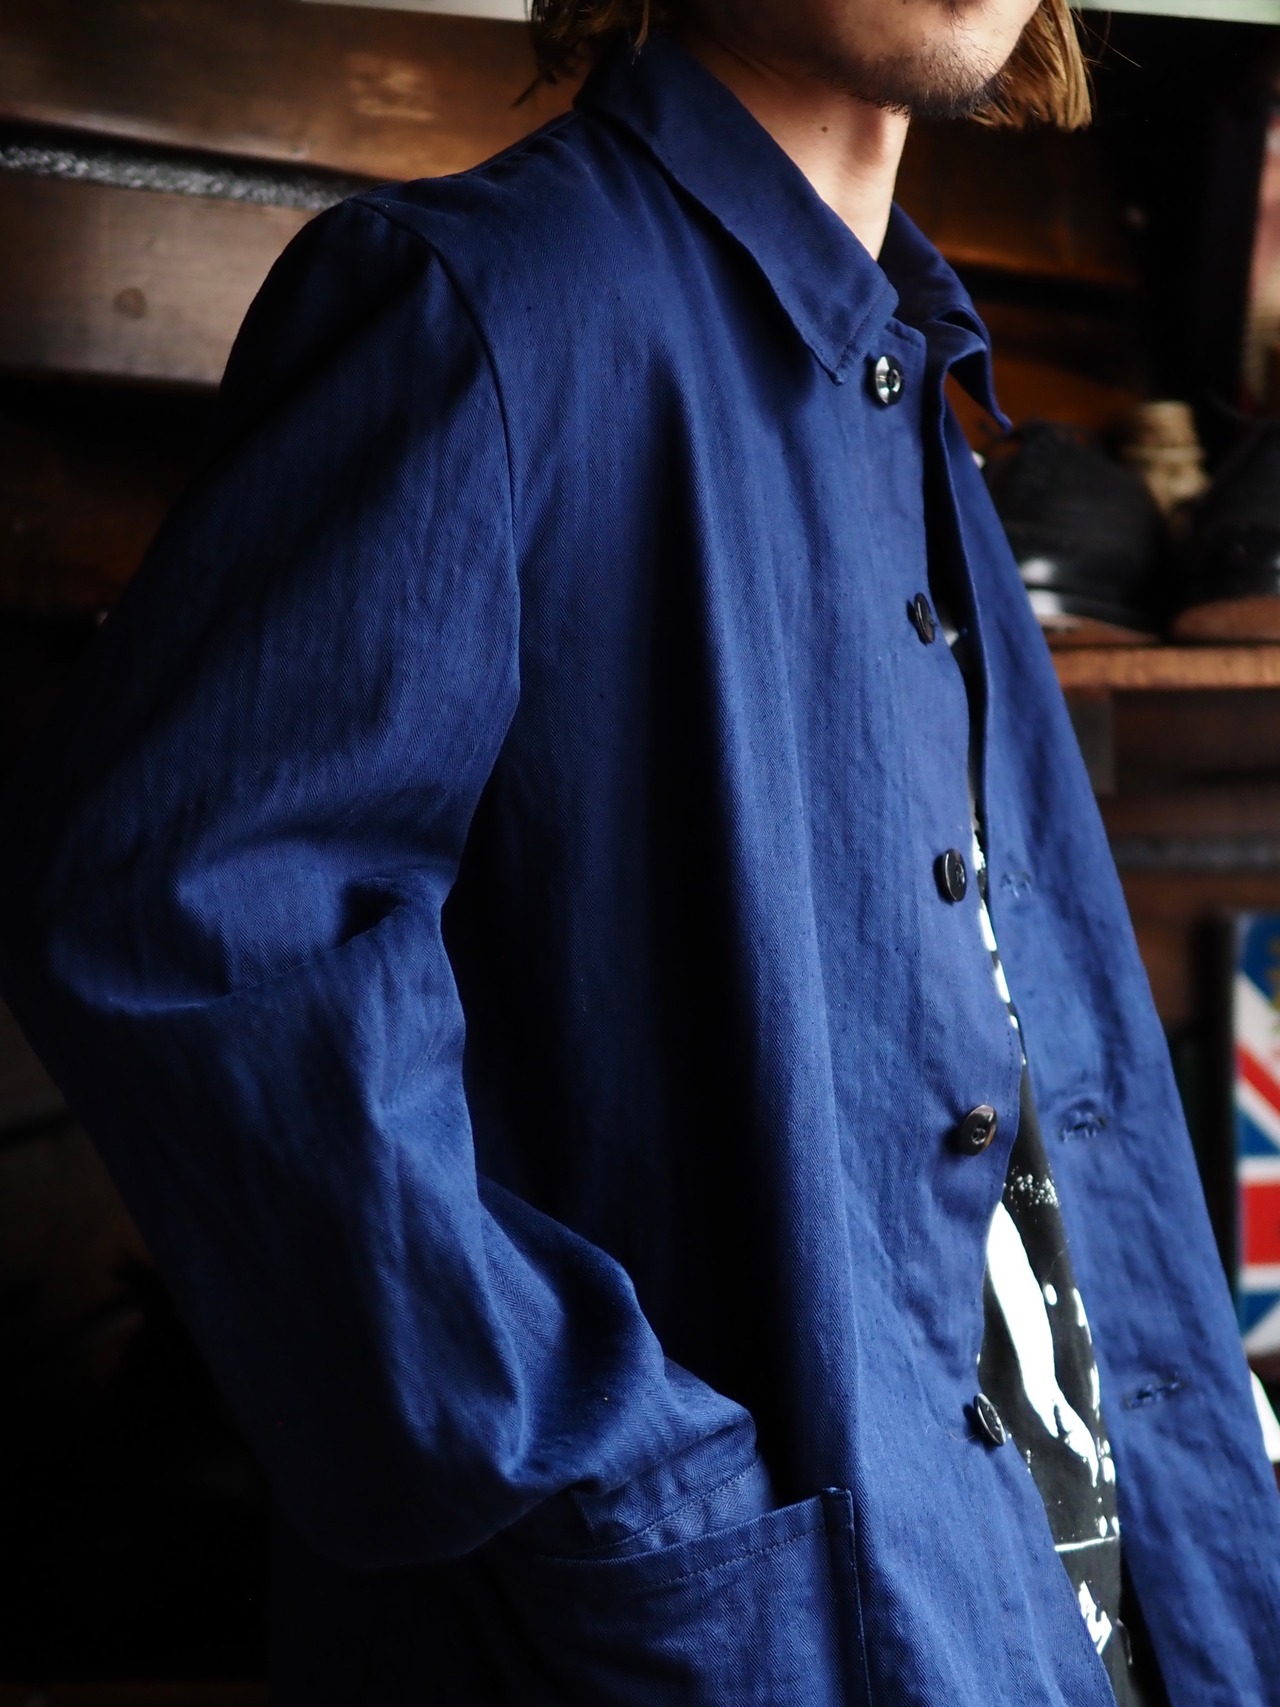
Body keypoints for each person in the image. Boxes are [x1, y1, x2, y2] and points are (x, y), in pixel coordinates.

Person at [0, 0, 1276, 1700]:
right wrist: (624, 1479)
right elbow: (182, 934)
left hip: (1062, 1625)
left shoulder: (910, 372)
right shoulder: (483, 305)